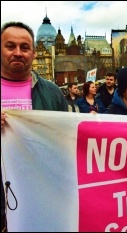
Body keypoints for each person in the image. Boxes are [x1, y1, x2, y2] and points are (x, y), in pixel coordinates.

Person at [1, 21, 68, 232]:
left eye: (25, 47)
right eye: (10, 46)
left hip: (39, 192)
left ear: (35, 53)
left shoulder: (53, 92)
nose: (18, 53)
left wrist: (91, 125)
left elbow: (66, 140)